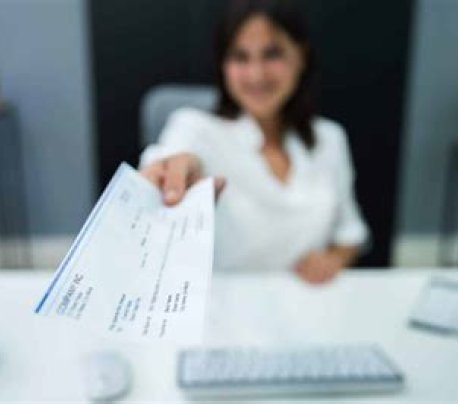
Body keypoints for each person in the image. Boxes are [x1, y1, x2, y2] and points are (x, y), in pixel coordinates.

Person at [139, 0, 368, 284]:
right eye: (240, 57)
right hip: (224, 303)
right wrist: (170, 173)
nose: (256, 75)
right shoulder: (195, 128)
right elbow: (171, 157)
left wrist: (333, 259)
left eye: (272, 54)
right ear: (224, 65)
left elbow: (350, 232)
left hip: (307, 300)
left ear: (301, 55)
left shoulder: (330, 139)